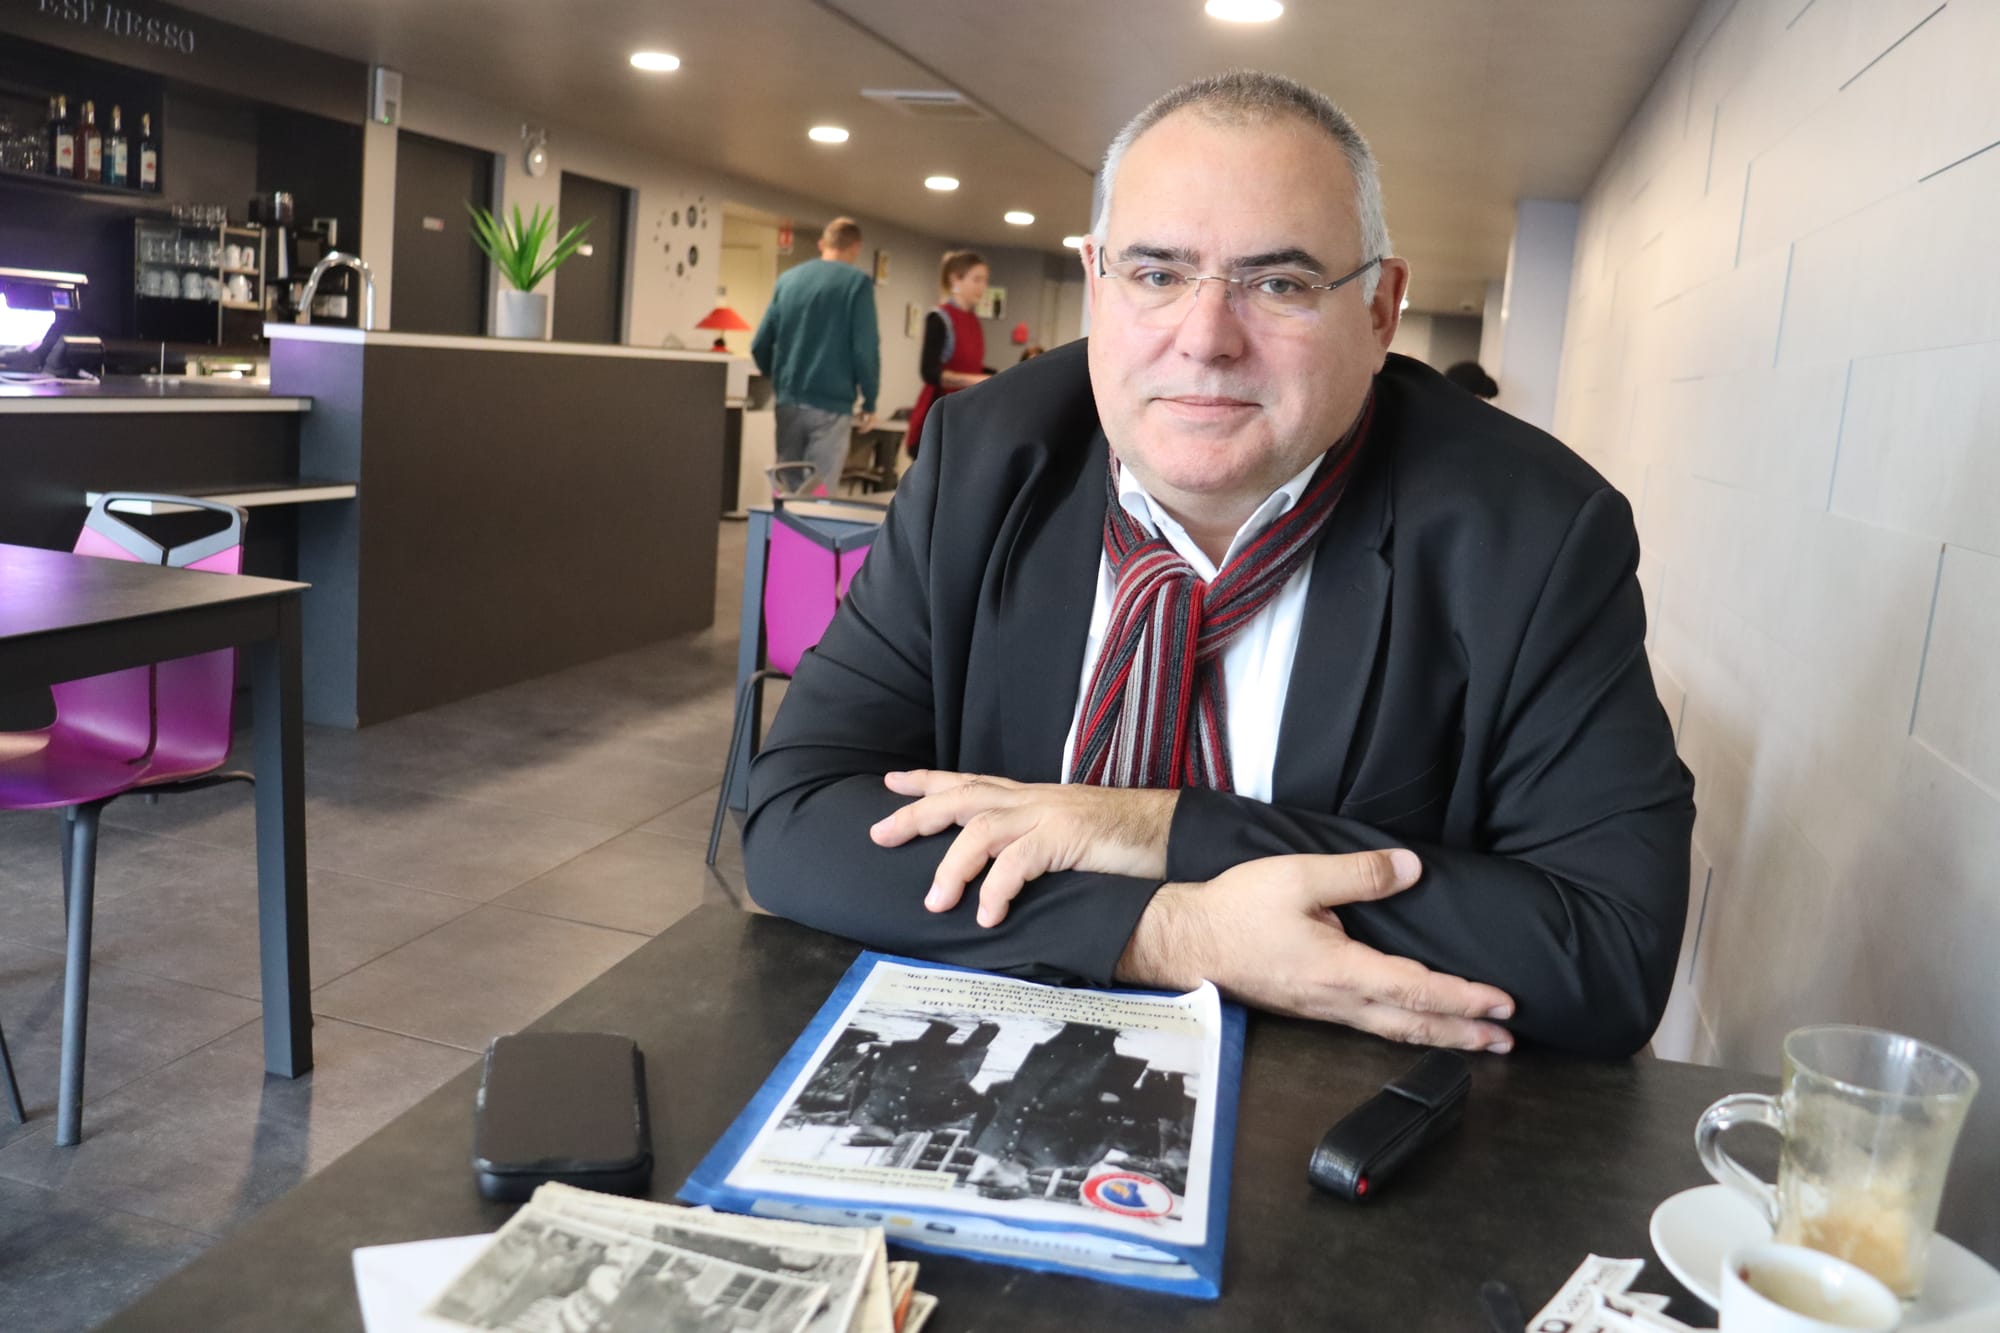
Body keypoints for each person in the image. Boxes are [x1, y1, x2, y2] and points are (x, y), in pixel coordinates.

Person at [744, 72, 1694, 1060]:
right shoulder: (983, 463)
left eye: (1279, 284)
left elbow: (1608, 952)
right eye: (1156, 274)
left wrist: (1153, 828)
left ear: (1379, 310)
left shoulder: (1531, 530)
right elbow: (796, 818)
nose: (1204, 340)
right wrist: (1168, 933)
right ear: (1096, 279)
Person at [750, 217, 881, 496]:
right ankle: (810, 526)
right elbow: (865, 348)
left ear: (823, 244)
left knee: (786, 485)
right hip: (831, 404)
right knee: (817, 490)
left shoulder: (788, 279)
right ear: (855, 247)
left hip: (788, 400)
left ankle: (780, 526)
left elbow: (760, 343)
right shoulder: (856, 283)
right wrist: (870, 400)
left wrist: (778, 378)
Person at [903, 251, 993, 459]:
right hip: (941, 414)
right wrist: (976, 380)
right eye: (977, 280)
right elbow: (929, 372)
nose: (982, 287)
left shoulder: (974, 321)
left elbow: (970, 365)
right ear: (955, 279)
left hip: (967, 413)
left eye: (985, 281)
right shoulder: (940, 318)